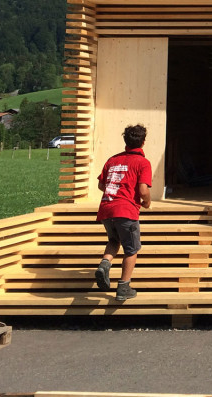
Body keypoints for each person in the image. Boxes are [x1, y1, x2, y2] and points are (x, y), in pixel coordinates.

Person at [95, 124, 153, 301]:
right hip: (126, 210)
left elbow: (101, 185)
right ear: (143, 142)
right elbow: (143, 190)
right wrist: (147, 202)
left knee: (114, 240)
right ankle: (123, 287)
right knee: (131, 249)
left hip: (106, 208)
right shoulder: (143, 163)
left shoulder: (112, 160)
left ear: (125, 141)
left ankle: (105, 264)